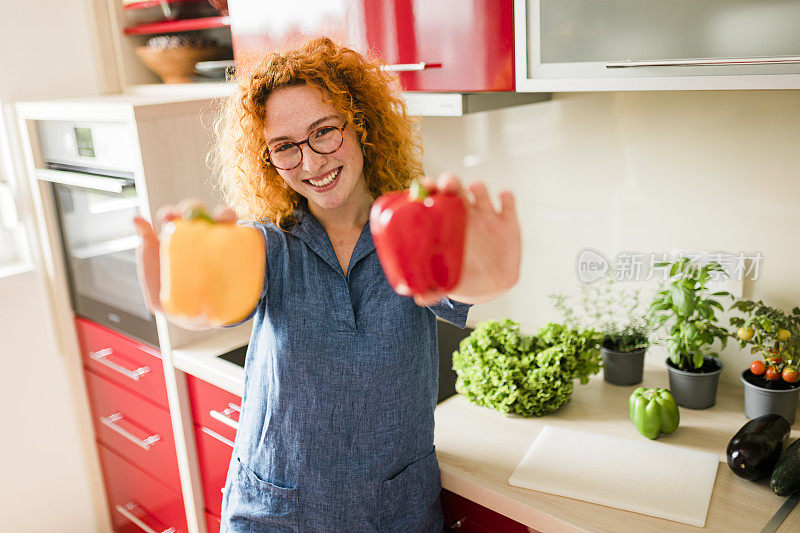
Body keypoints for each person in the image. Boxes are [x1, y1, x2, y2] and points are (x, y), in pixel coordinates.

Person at [134, 37, 521, 532]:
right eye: (284, 147)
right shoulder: (265, 244)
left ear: (360, 124)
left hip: (395, 511)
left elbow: (460, 285)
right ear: (266, 156)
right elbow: (220, 304)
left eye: (324, 132)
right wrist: (185, 305)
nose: (312, 163)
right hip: (274, 511)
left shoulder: (411, 229)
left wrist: (490, 280)